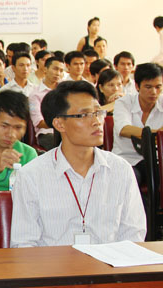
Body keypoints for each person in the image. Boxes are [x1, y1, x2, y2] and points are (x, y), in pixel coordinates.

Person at [11, 80, 146, 247]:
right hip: (54, 263)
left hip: (109, 262)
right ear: (59, 124)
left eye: (98, 112)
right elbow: (24, 243)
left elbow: (133, 235)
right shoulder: (31, 176)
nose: (97, 121)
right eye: (84, 115)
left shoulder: (121, 170)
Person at [113, 63, 163, 185]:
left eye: (158, 87)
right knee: (129, 180)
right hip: (127, 160)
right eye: (148, 87)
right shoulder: (124, 103)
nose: (154, 92)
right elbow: (124, 129)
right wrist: (156, 134)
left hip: (156, 161)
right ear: (137, 86)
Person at [29, 56, 65, 150]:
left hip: (66, 131)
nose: (58, 73)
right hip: (47, 133)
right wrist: (61, 123)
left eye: (61, 71)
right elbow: (39, 122)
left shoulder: (65, 92)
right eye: (55, 69)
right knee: (64, 145)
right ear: (45, 69)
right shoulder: (35, 94)